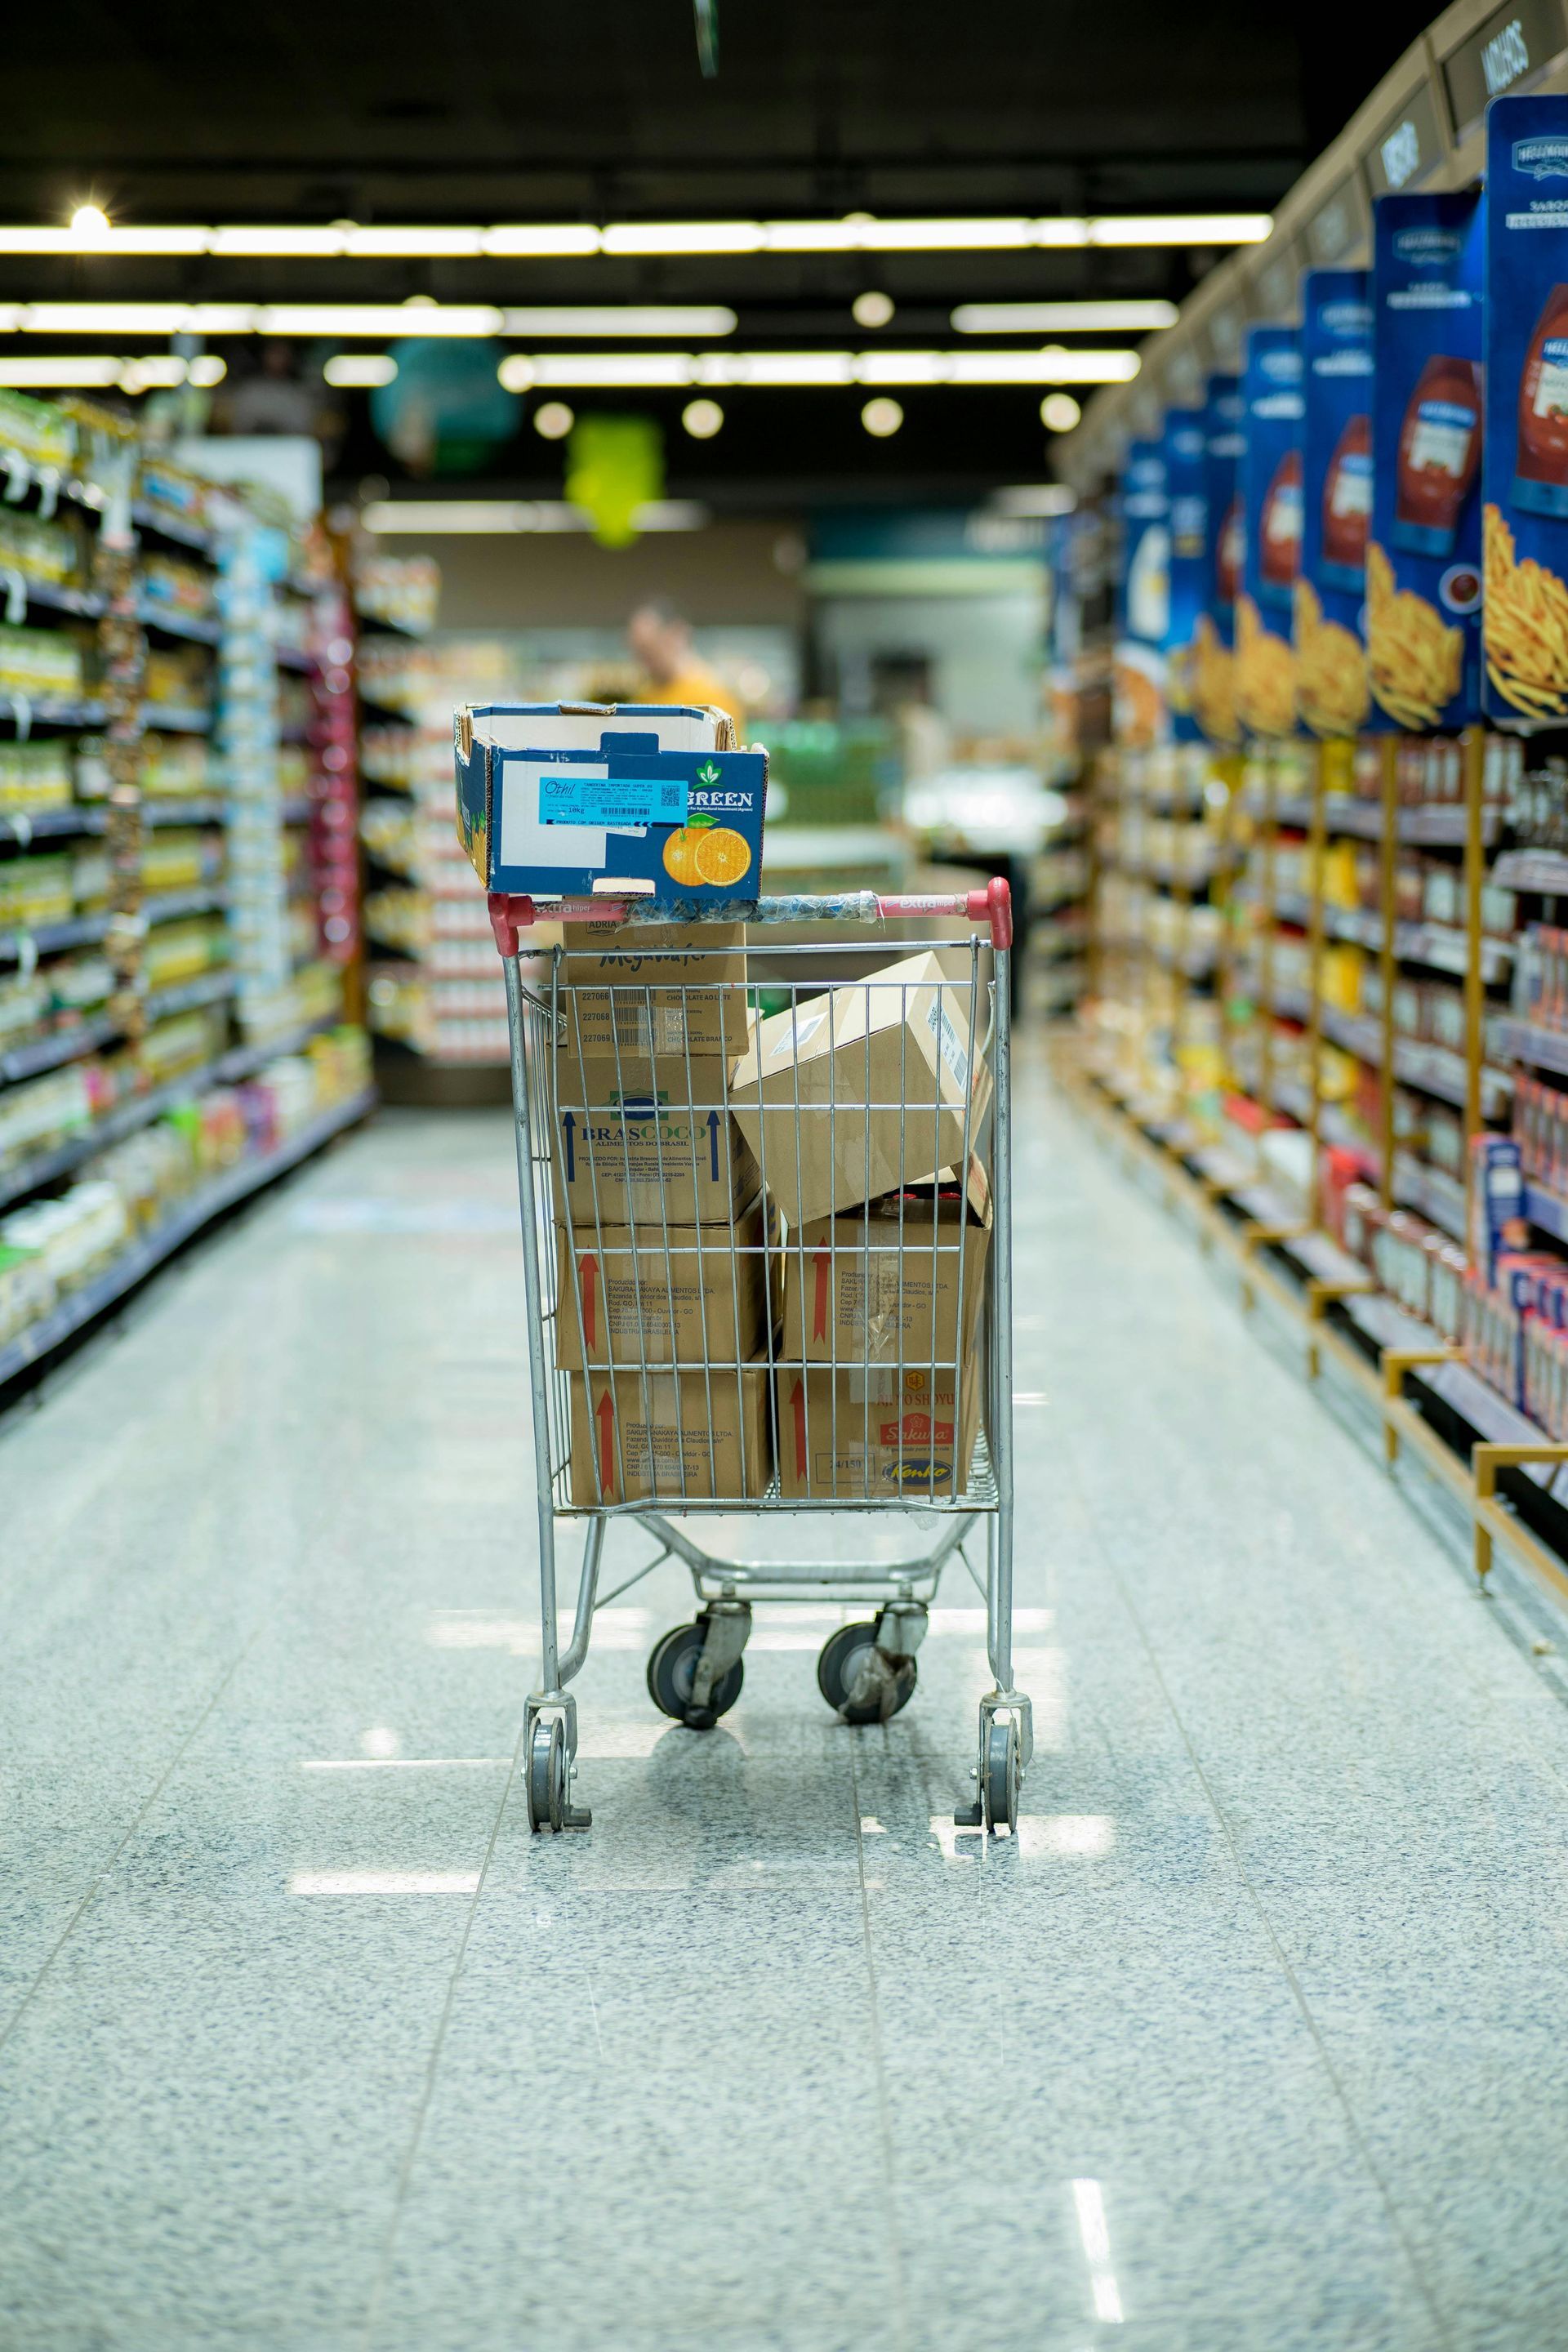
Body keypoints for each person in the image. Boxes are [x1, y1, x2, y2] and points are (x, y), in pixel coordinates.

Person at [627, 599, 743, 727]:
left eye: (650, 650)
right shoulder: (644, 696)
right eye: (639, 653)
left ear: (677, 633)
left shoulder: (713, 696)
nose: (644, 663)